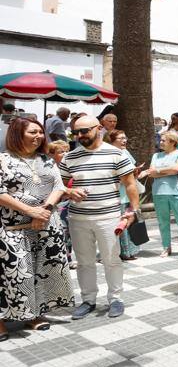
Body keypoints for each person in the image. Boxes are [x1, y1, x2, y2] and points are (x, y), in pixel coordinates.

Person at [0, 118, 74, 340]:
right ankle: (1, 320)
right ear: (17, 134)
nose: (39, 136)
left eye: (41, 132)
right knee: (12, 273)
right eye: (33, 132)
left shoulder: (47, 160)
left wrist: (46, 210)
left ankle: (33, 314)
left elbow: (58, 186)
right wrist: (31, 212)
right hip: (13, 228)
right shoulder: (3, 160)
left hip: (46, 226)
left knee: (40, 271)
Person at [59, 116, 140, 319]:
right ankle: (88, 300)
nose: (79, 136)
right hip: (78, 218)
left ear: (99, 129)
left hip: (109, 217)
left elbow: (130, 184)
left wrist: (133, 210)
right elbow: (60, 186)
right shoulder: (70, 157)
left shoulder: (116, 153)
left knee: (111, 260)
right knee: (85, 262)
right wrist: (69, 192)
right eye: (75, 132)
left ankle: (115, 299)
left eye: (84, 131)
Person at [145, 130, 178, 257]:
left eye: (163, 140)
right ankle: (166, 246)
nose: (160, 142)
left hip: (176, 191)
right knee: (162, 221)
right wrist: (167, 170)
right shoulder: (156, 156)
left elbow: (176, 169)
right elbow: (151, 172)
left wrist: (159, 170)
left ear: (173, 142)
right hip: (158, 191)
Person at [105, 130, 143, 261]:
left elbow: (132, 170)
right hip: (117, 194)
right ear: (112, 140)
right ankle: (122, 252)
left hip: (129, 193)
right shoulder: (108, 154)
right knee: (120, 224)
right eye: (121, 138)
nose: (124, 140)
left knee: (132, 222)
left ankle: (132, 251)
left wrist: (136, 172)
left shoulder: (125, 152)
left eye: (125, 137)